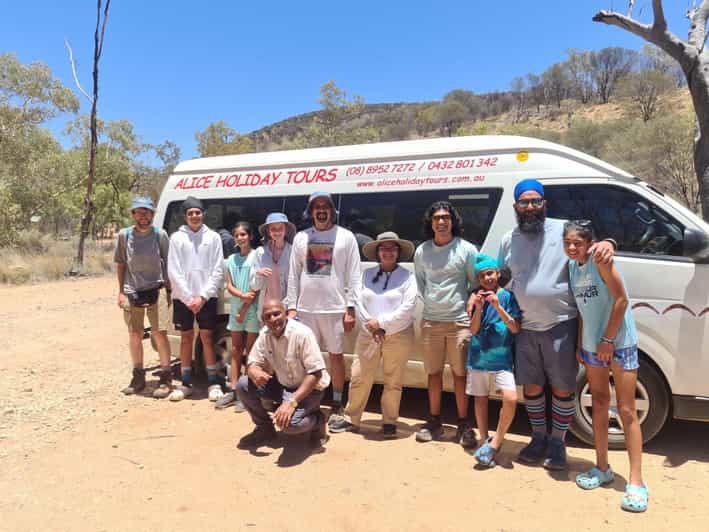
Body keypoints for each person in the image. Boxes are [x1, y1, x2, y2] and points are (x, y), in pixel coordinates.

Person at [496, 179, 615, 470]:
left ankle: (558, 443)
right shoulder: (508, 239)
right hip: (525, 327)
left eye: (536, 201)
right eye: (524, 202)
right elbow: (501, 276)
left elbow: (593, 242)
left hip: (561, 322)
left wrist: (608, 243)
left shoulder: (563, 230)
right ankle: (538, 438)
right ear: (515, 206)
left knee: (562, 388)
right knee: (533, 387)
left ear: (544, 204)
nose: (530, 207)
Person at [564, 220, 647, 513]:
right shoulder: (573, 267)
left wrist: (608, 339)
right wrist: (580, 344)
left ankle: (636, 482)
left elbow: (622, 300)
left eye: (578, 242)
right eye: (568, 243)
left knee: (626, 410)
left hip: (618, 342)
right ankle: (602, 468)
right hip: (591, 345)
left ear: (589, 243)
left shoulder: (600, 260)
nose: (572, 247)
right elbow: (584, 309)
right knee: (599, 403)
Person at [329, 232, 417, 439]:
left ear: (398, 252)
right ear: (378, 252)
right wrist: (373, 325)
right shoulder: (366, 275)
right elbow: (358, 301)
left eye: (392, 248)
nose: (388, 252)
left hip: (398, 333)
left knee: (393, 380)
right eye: (383, 248)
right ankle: (352, 419)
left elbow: (409, 306)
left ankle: (389, 422)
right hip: (369, 334)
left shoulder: (407, 276)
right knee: (360, 376)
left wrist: (382, 324)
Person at [287, 191, 361, 430]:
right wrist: (291, 307)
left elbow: (354, 275)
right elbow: (293, 275)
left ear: (332, 210)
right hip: (306, 309)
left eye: (325, 206)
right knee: (308, 359)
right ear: (310, 212)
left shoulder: (346, 237)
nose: (321, 210)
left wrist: (350, 307)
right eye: (316, 207)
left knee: (336, 357)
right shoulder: (300, 238)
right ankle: (310, 400)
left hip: (335, 308)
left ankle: (337, 402)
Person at [413, 201, 478, 446]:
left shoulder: (467, 250)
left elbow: (474, 283)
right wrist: (432, 304)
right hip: (431, 321)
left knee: (460, 375)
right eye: (436, 218)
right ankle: (434, 421)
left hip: (459, 322)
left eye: (446, 217)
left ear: (453, 221)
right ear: (430, 223)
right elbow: (421, 283)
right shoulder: (422, 251)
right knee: (433, 374)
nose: (441, 222)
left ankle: (463, 423)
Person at [236, 299, 329, 448]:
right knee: (243, 385)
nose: (273, 319)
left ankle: (318, 421)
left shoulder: (302, 333)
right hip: (283, 385)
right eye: (268, 316)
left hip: (310, 390)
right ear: (264, 320)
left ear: (286, 314)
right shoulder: (264, 334)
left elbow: (316, 374)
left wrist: (291, 403)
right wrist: (254, 370)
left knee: (289, 425)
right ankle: (265, 429)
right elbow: (252, 361)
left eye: (276, 314)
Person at [167, 196, 225, 402]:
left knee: (207, 338)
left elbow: (218, 270)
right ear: (185, 216)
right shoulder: (176, 238)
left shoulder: (213, 237)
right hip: (183, 298)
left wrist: (202, 296)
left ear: (203, 214)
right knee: (186, 338)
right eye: (190, 213)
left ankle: (213, 383)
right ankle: (185, 383)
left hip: (206, 297)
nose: (194, 216)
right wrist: (187, 297)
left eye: (198, 212)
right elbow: (173, 270)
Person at [114, 197, 173, 398]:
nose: (143, 216)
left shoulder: (160, 234)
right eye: (139, 212)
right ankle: (138, 377)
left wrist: (169, 289)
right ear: (133, 214)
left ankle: (166, 378)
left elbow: (168, 261)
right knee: (135, 334)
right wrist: (121, 291)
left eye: (147, 212)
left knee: (159, 333)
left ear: (152, 214)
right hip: (133, 290)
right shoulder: (125, 235)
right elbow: (121, 264)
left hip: (157, 288)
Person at [466, 254, 521, 467]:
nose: (487, 278)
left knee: (510, 398)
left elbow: (515, 328)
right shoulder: (476, 298)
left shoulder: (508, 296)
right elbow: (473, 329)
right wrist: (479, 308)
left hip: (502, 359)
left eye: (489, 273)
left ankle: (496, 441)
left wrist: (498, 306)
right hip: (479, 357)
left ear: (497, 273)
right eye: (482, 276)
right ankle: (483, 440)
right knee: (480, 399)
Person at [215, 221, 259, 412]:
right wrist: (240, 300)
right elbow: (230, 285)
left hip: (251, 310)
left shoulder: (257, 256)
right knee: (235, 351)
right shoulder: (231, 259)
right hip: (236, 309)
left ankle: (247, 392)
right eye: (237, 235)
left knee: (251, 352)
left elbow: (256, 287)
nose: (240, 238)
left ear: (250, 236)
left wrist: (243, 309)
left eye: (243, 234)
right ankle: (234, 390)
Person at [251, 212, 296, 319]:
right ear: (268, 231)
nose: (277, 232)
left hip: (286, 308)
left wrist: (292, 308)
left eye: (280, 228)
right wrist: (258, 273)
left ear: (286, 230)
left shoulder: (293, 251)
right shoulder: (260, 252)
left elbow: (296, 282)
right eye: (273, 229)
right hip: (266, 309)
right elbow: (254, 286)